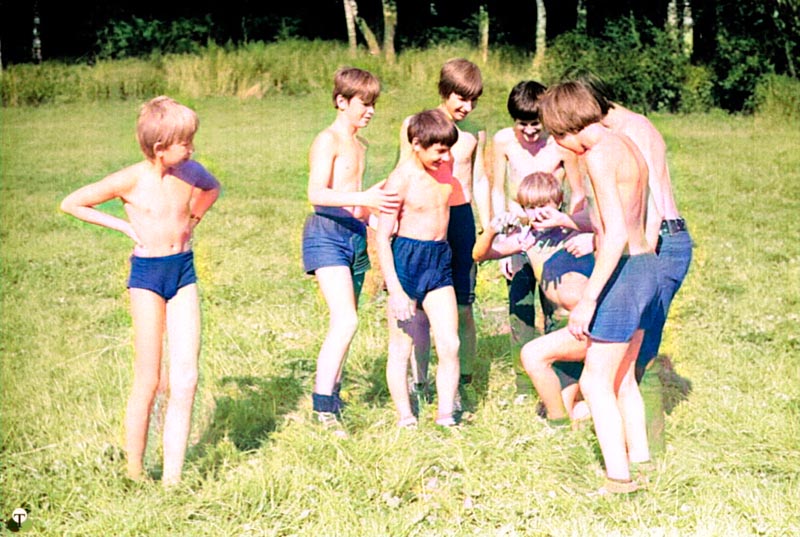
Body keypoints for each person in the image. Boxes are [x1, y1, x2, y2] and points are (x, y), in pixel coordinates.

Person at [60, 96, 221, 485]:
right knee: (149, 380)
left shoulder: (192, 171)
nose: (192, 148)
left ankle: (172, 480)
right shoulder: (129, 179)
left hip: (183, 272)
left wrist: (194, 218)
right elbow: (73, 203)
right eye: (184, 142)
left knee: (186, 378)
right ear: (159, 147)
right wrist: (125, 228)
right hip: (147, 276)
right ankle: (134, 473)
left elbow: (213, 188)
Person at [537, 81, 659, 494]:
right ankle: (640, 461)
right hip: (647, 269)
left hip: (624, 272)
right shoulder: (625, 143)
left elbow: (614, 236)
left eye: (555, 135)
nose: (558, 144)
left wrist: (587, 301)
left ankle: (619, 478)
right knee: (623, 376)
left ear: (565, 128)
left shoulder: (599, 155)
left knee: (594, 383)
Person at [561, 68, 693, 382]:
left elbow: (648, 210)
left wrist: (629, 257)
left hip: (659, 243)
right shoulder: (611, 136)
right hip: (644, 246)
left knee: (640, 350)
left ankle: (640, 423)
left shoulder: (631, 130)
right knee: (626, 344)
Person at [302, 67, 400, 435]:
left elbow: (355, 203)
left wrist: (374, 209)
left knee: (346, 322)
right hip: (324, 234)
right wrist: (363, 198)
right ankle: (322, 408)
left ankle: (333, 395)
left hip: (353, 234)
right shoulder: (327, 140)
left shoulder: (361, 145)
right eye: (364, 103)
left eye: (374, 104)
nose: (370, 111)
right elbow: (316, 194)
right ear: (342, 102)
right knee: (346, 320)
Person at [397, 58, 488, 410]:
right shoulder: (415, 124)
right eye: (461, 99)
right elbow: (403, 170)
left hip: (461, 218)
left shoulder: (475, 132)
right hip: (423, 221)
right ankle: (420, 380)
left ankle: (462, 380)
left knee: (463, 306)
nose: (467, 107)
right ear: (444, 92)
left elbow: (480, 179)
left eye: (473, 101)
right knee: (419, 308)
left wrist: (488, 224)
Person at [486, 80, 585, 401]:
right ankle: (524, 384)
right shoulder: (503, 142)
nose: (529, 133)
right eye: (522, 125)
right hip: (519, 236)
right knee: (520, 307)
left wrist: (573, 231)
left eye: (536, 125)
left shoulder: (560, 145)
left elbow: (579, 191)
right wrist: (503, 244)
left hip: (556, 238)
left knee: (557, 309)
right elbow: (497, 190)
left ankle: (560, 381)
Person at [473, 172, 594, 421]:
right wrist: (492, 230)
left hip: (590, 324)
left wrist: (593, 238)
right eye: (530, 207)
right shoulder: (528, 239)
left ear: (558, 203)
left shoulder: (574, 231)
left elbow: (613, 231)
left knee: (537, 358)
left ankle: (561, 421)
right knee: (571, 408)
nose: (537, 214)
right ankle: (573, 414)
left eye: (543, 206)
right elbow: (479, 254)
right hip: (566, 327)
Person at [377, 109, 462, 428]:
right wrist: (396, 290)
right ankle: (406, 416)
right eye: (440, 150)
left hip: (438, 259)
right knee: (401, 347)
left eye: (448, 149)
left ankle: (445, 415)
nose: (446, 157)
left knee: (450, 343)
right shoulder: (400, 180)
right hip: (407, 261)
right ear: (416, 144)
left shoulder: (443, 167)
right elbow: (383, 238)